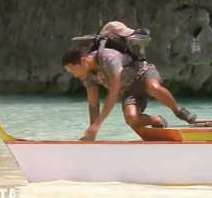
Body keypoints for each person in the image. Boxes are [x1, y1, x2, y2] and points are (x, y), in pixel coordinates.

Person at [62, 45, 197, 141]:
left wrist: (98, 124)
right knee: (131, 119)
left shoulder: (106, 57)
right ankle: (158, 120)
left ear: (83, 61)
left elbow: (114, 92)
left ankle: (178, 111)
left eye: (73, 70)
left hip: (143, 74)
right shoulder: (86, 76)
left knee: (152, 87)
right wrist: (92, 131)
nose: (74, 75)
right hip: (129, 90)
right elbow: (93, 104)